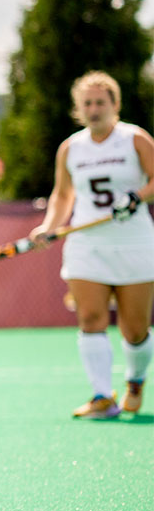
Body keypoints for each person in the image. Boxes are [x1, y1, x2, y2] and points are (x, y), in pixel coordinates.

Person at [30, 71, 154, 419]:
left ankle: (135, 379)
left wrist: (137, 197)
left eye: (101, 102)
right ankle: (102, 396)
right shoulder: (71, 148)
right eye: (87, 103)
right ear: (78, 108)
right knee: (90, 317)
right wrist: (49, 226)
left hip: (133, 243)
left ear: (115, 105)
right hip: (86, 245)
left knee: (135, 329)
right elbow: (63, 195)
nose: (94, 109)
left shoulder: (135, 139)